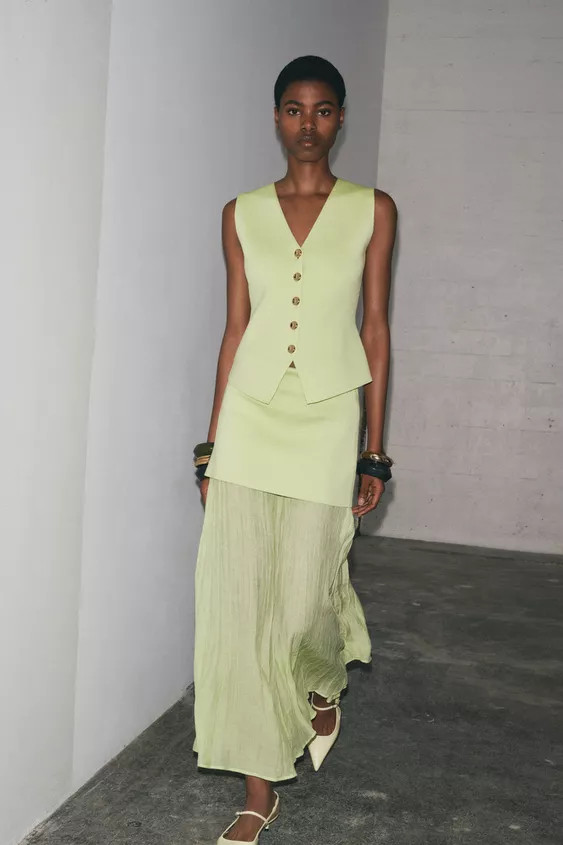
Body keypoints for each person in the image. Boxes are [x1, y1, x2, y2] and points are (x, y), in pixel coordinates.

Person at [192, 55, 397, 844]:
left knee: (309, 590)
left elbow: (374, 328)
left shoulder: (372, 208)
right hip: (251, 416)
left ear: (339, 118)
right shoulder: (240, 212)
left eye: (321, 109)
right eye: (292, 109)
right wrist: (212, 444)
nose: (306, 123)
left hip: (326, 417)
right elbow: (235, 327)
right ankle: (257, 790)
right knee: (241, 602)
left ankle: (320, 676)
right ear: (275, 118)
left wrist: (374, 449)